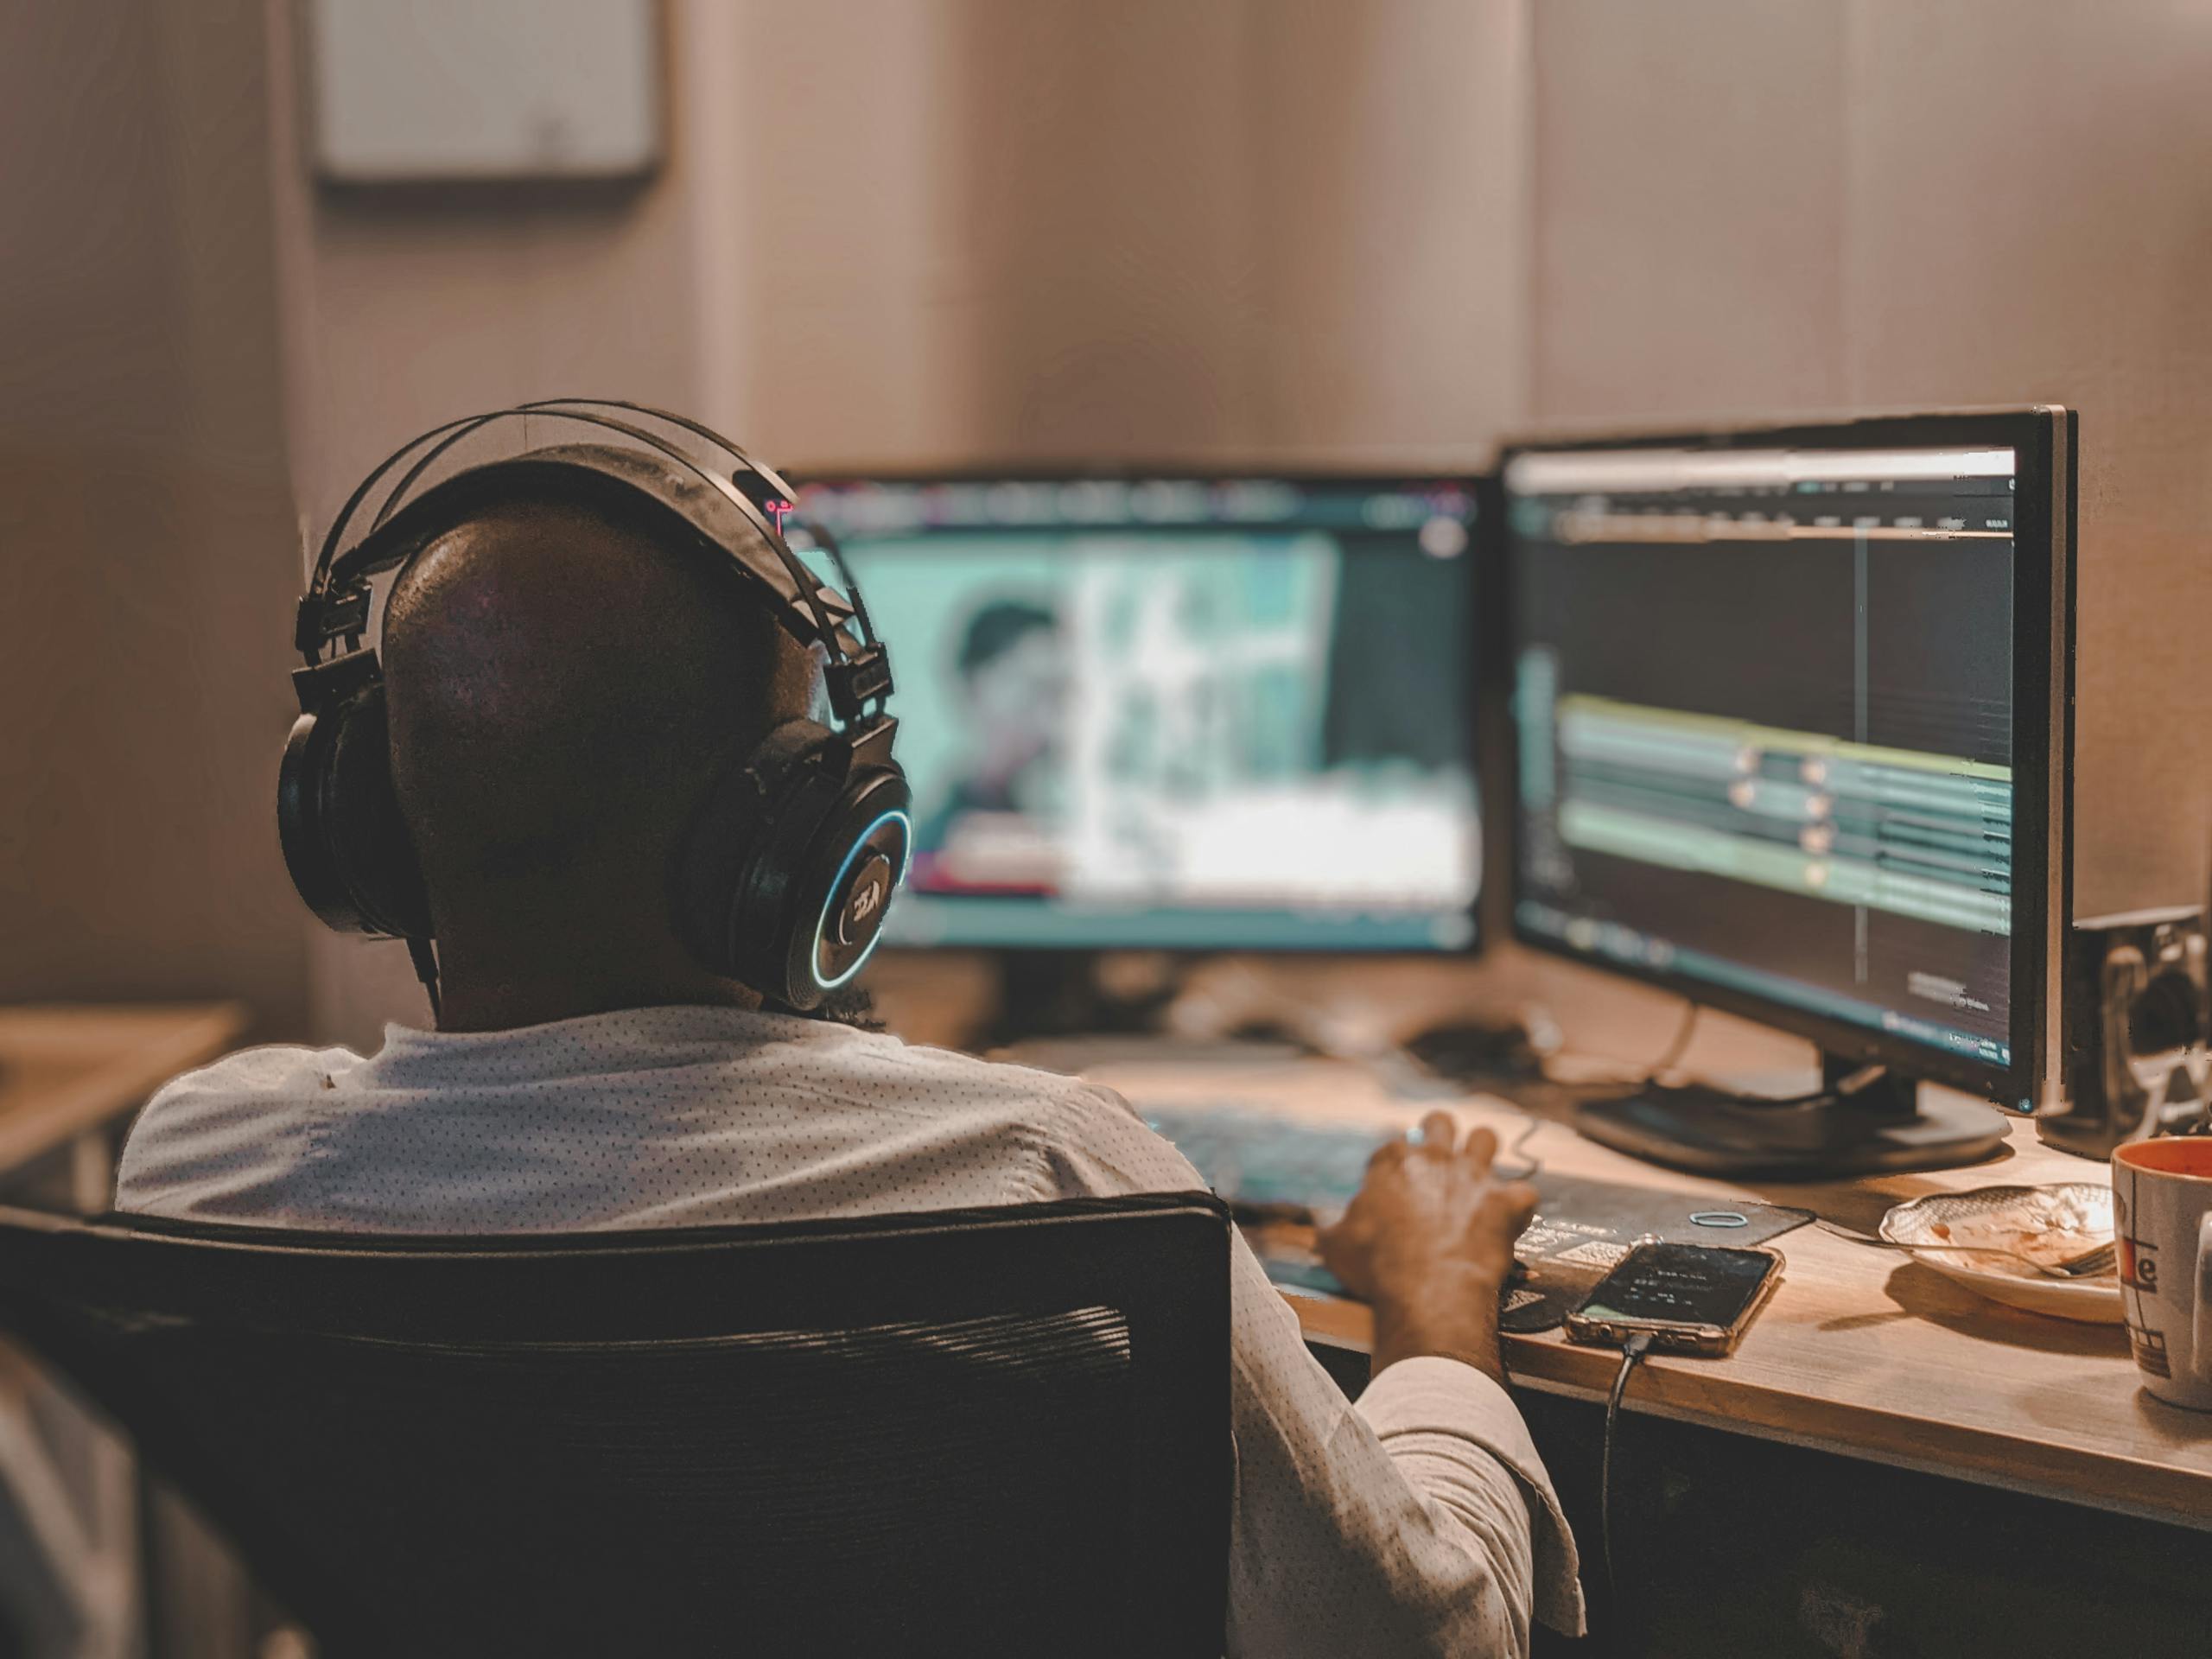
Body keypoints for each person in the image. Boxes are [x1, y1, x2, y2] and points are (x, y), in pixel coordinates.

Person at [117, 466, 1585, 1656]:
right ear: (810, 845)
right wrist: (1437, 1318)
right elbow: (1418, 1643)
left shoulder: (204, 1167)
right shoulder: (1045, 1174)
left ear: (360, 828)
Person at [912, 597, 1066, 864]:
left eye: (1061, 696)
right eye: (1032, 692)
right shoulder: (937, 847)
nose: (1050, 722)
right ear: (975, 688)